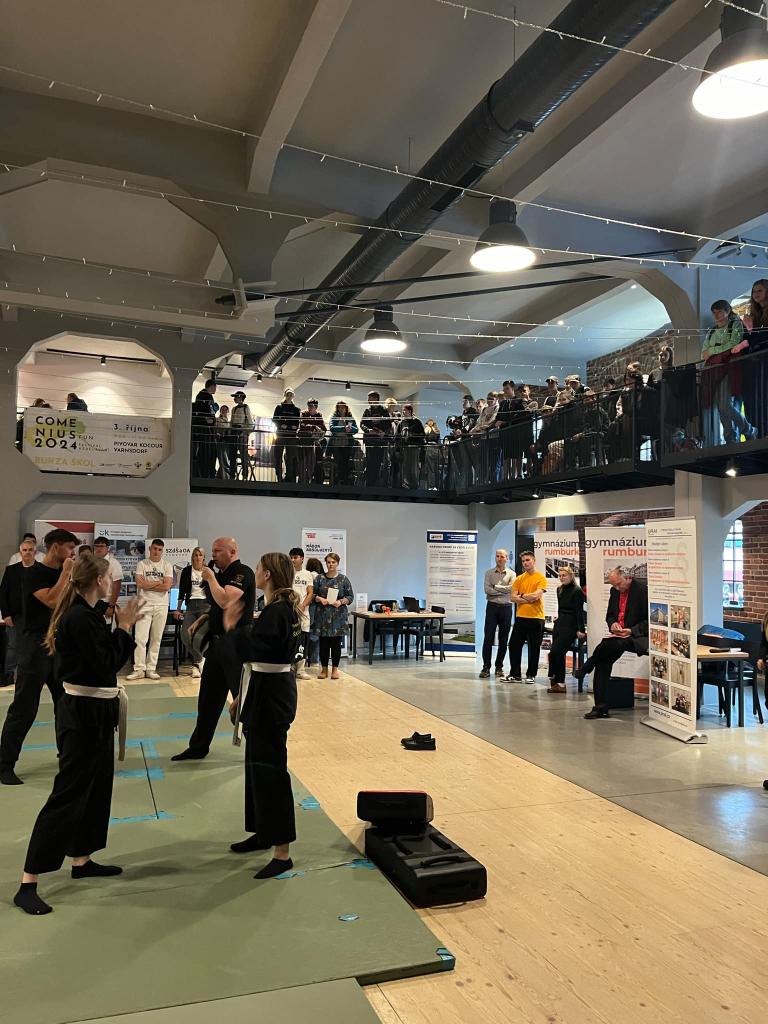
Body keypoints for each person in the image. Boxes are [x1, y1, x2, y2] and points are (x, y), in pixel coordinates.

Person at [12, 555, 145, 915]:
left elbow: (98, 655)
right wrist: (124, 629)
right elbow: (106, 663)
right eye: (107, 577)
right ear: (98, 580)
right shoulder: (79, 618)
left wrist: (115, 623)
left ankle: (81, 859)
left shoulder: (85, 613)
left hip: (94, 712)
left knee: (97, 787)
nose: (110, 582)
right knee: (68, 793)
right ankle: (28, 881)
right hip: (82, 715)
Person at [226, 552, 301, 877]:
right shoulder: (280, 609)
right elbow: (261, 657)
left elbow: (253, 650)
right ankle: (262, 832)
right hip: (266, 691)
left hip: (272, 698)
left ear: (267, 575)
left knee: (271, 771)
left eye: (258, 568)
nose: (255, 572)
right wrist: (243, 697)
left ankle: (282, 852)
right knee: (256, 766)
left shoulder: (278, 611)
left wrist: (233, 626)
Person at [0, 528, 78, 785]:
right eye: (69, 548)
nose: (72, 553)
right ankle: (5, 764)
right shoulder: (33, 573)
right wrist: (66, 573)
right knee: (24, 708)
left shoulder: (63, 573)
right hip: (35, 647)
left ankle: (67, 756)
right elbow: (52, 600)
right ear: (56, 547)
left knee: (65, 704)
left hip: (59, 646)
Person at [171, 537, 255, 761]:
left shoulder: (242, 573)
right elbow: (218, 606)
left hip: (237, 644)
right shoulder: (220, 575)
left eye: (218, 551)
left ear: (232, 552)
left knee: (242, 701)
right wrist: (205, 617)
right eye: (213, 551)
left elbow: (227, 600)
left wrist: (209, 578)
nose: (213, 555)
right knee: (208, 698)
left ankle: (258, 748)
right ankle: (198, 746)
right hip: (218, 645)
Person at [575, 566, 648, 719]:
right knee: (603, 661)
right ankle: (600, 708)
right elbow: (610, 615)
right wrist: (613, 624)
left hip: (637, 636)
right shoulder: (614, 591)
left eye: (619, 584)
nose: (617, 588)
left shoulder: (642, 591)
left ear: (628, 578)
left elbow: (650, 620)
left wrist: (631, 630)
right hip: (619, 635)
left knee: (608, 645)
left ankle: (588, 665)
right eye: (614, 585)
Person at [701, 299, 754, 446]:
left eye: (719, 312)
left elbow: (734, 343)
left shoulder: (735, 324)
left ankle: (747, 430)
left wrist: (713, 350)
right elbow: (703, 353)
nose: (716, 315)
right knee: (721, 405)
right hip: (714, 370)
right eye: (714, 313)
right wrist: (720, 349)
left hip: (730, 367)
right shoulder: (712, 331)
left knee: (725, 404)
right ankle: (730, 438)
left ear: (728, 311)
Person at [126, 539, 173, 681]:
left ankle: (151, 668)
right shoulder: (142, 564)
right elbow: (140, 584)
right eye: (154, 548)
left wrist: (149, 584)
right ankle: (139, 669)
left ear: (162, 551)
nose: (156, 552)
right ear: (150, 549)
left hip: (161, 605)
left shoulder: (167, 565)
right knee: (140, 638)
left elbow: (166, 587)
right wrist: (158, 582)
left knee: (156, 638)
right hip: (144, 604)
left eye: (159, 549)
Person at [0, 538, 38, 687]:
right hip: (15, 615)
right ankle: (9, 674)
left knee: (34, 646)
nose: (27, 552)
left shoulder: (41, 570)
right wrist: (6, 614)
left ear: (35, 551)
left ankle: (32, 674)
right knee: (13, 645)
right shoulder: (11, 570)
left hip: (36, 616)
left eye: (30, 550)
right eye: (24, 550)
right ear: (20, 552)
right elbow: (3, 593)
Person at [506, 551, 547, 683]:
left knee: (534, 648)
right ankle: (515, 674)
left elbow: (536, 596)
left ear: (534, 561)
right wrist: (528, 598)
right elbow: (513, 598)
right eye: (523, 561)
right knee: (513, 645)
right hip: (521, 617)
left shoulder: (540, 578)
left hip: (536, 618)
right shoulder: (519, 579)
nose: (525, 563)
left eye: (528, 560)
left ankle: (531, 675)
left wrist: (522, 596)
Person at [313, 553, 353, 680]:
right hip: (323, 616)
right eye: (329, 562)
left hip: (338, 617)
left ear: (337, 563)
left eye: (333, 562)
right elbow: (312, 595)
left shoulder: (343, 579)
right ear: (326, 563)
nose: (331, 564)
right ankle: (324, 669)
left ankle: (335, 669)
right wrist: (320, 599)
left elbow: (350, 597)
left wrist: (341, 601)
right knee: (323, 644)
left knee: (336, 644)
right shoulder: (319, 578)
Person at [547, 567, 586, 693]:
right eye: (560, 575)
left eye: (564, 575)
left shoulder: (577, 591)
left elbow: (579, 611)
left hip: (570, 624)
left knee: (557, 651)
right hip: (560, 623)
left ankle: (560, 682)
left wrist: (581, 629)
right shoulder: (559, 589)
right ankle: (556, 679)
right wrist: (557, 620)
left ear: (571, 576)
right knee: (554, 653)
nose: (561, 578)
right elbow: (560, 608)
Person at [173, 547, 210, 678]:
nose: (198, 557)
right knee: (185, 635)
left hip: (205, 605)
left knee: (202, 636)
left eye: (200, 555)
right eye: (196, 555)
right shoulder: (187, 571)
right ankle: (200, 659)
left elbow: (214, 589)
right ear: (192, 557)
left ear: (204, 557)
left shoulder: (208, 571)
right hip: (191, 605)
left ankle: (195, 666)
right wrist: (178, 609)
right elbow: (182, 591)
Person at [480, 549, 515, 679]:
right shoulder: (489, 573)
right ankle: (486, 667)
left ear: (506, 558)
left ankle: (499, 667)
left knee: (503, 639)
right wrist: (503, 590)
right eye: (497, 556)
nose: (499, 558)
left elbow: (511, 589)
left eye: (502, 556)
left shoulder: (512, 574)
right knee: (488, 638)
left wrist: (495, 587)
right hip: (492, 608)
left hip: (506, 608)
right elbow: (486, 590)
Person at [741, 279, 768, 438]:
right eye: (754, 291)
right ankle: (759, 433)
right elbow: (747, 340)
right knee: (753, 400)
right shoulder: (753, 316)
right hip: (754, 362)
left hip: (764, 359)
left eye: (759, 290)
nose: (756, 294)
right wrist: (749, 329)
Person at [289, 548, 314, 680]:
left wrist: (303, 605)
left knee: (302, 640)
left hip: (303, 612)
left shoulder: (307, 574)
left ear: (302, 558)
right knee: (290, 638)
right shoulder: (287, 573)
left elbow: (310, 593)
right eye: (291, 557)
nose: (293, 560)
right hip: (290, 610)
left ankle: (301, 670)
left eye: (295, 557)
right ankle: (289, 668)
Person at [361, 391, 393, 487]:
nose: (368, 400)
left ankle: (375, 483)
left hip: (379, 441)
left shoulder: (384, 411)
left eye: (370, 398)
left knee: (378, 462)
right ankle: (369, 483)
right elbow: (362, 424)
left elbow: (388, 425)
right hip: (370, 441)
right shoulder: (367, 411)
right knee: (369, 462)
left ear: (375, 399)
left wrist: (383, 432)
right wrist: (368, 430)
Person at [272, 388, 300, 484]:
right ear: (285, 395)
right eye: (287, 394)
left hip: (291, 435)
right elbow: (275, 419)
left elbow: (297, 422)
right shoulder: (279, 407)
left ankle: (289, 479)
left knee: (290, 458)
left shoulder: (296, 409)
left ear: (293, 396)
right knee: (278, 457)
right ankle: (279, 477)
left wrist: (293, 427)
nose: (289, 396)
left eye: (291, 394)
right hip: (280, 434)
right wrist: (281, 425)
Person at [92, 537, 124, 622]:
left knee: (104, 628)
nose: (99, 548)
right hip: (91, 601)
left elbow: (117, 585)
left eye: (102, 546)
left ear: (108, 548)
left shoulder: (113, 563)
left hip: (105, 602)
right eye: (96, 546)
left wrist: (111, 606)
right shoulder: (90, 562)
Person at [395, 403, 426, 489]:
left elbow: (422, 435)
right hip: (404, 449)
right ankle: (405, 485)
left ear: (410, 411)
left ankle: (414, 486)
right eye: (403, 410)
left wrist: (412, 435)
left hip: (414, 448)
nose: (403, 412)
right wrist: (397, 449)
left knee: (413, 468)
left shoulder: (417, 422)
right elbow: (397, 437)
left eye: (404, 410)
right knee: (404, 468)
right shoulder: (401, 423)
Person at [191, 379, 218, 478]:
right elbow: (208, 411)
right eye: (215, 387)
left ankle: (202, 472)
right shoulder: (206, 396)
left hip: (201, 429)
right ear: (212, 386)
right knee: (207, 451)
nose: (215, 389)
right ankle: (207, 472)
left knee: (203, 451)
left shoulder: (200, 395)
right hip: (205, 429)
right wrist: (209, 419)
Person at [328, 400, 358, 484]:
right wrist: (344, 428)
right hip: (336, 443)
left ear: (346, 408)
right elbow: (332, 428)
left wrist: (350, 429)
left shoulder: (350, 418)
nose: (341, 409)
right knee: (338, 461)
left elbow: (356, 429)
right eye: (339, 407)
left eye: (343, 407)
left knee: (346, 461)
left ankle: (345, 481)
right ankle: (338, 480)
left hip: (347, 443)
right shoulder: (334, 417)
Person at [297, 399, 326, 484]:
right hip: (303, 442)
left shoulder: (319, 415)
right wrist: (314, 427)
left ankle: (310, 479)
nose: (309, 408)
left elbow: (324, 428)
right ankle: (302, 480)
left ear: (316, 407)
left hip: (312, 443)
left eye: (311, 406)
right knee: (302, 462)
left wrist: (314, 428)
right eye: (308, 405)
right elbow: (302, 425)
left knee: (312, 463)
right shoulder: (303, 413)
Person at [230, 391, 255, 481]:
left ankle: (245, 475)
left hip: (242, 432)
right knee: (232, 455)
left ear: (241, 398)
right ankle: (232, 475)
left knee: (243, 455)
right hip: (234, 432)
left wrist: (245, 432)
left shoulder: (246, 407)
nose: (234, 399)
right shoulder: (234, 409)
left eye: (236, 397)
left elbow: (251, 422)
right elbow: (231, 422)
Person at [305, 556, 324, 669]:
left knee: (310, 633)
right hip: (321, 608)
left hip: (311, 607)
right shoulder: (322, 577)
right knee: (317, 635)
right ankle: (315, 660)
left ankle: (307, 658)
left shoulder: (309, 575)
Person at [423, 418, 442, 489]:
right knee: (436, 468)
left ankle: (431, 486)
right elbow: (439, 443)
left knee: (430, 468)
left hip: (430, 448)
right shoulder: (437, 430)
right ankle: (437, 486)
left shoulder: (428, 428)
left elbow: (423, 438)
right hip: (436, 450)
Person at [215, 405, 231, 479]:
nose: (224, 411)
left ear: (228, 411)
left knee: (225, 459)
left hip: (227, 441)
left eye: (225, 410)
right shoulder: (218, 420)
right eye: (222, 410)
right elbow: (217, 429)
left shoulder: (229, 422)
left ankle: (220, 475)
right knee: (222, 458)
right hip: (220, 440)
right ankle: (224, 476)